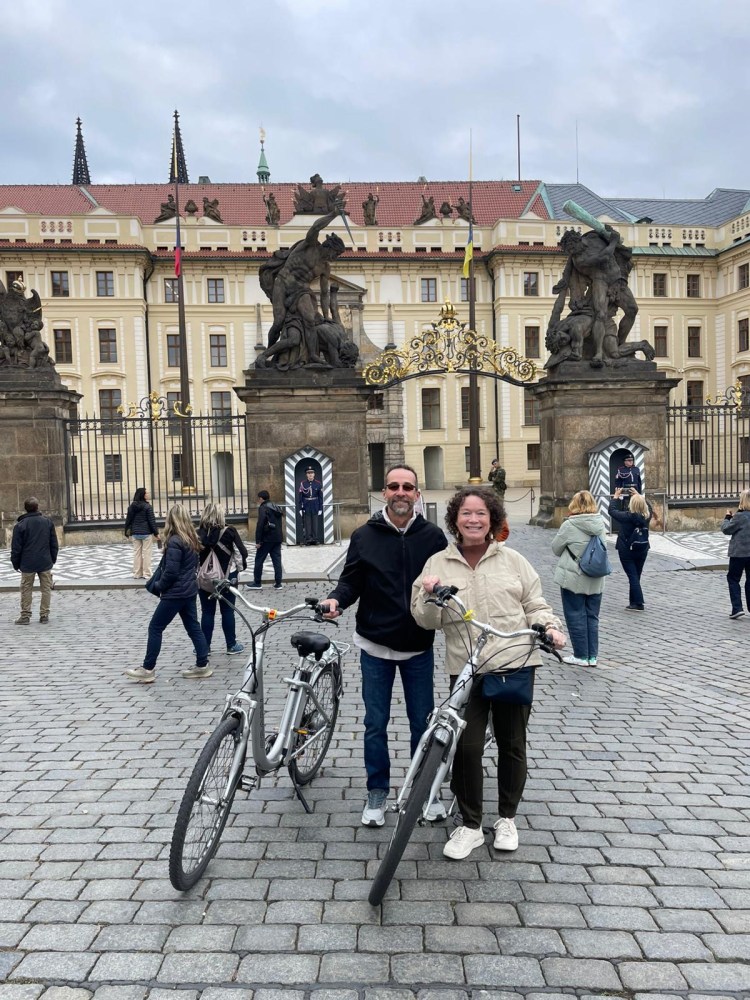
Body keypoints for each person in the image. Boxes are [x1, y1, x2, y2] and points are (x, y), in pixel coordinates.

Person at [411, 487, 565, 860]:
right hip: (466, 669)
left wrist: (550, 627)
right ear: (455, 520)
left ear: (492, 519)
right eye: (466, 514)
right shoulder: (437, 564)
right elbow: (423, 619)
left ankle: (507, 818)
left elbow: (535, 603)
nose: (474, 520)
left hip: (514, 664)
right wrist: (431, 596)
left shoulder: (513, 561)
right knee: (466, 748)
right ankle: (470, 825)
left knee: (513, 745)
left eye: (481, 514)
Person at [322, 464, 448, 827]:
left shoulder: (433, 537)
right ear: (384, 491)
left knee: (421, 725)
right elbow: (351, 581)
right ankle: (377, 790)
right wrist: (336, 601)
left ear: (417, 494)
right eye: (394, 486)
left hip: (417, 646)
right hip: (375, 645)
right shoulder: (365, 535)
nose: (401, 493)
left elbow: (446, 583)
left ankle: (423, 791)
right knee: (375, 723)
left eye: (408, 487)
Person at [125, 504, 211, 683]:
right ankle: (202, 665)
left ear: (171, 519)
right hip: (189, 591)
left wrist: (159, 585)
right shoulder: (191, 538)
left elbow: (171, 572)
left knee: (155, 627)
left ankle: (148, 669)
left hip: (175, 593)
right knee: (193, 627)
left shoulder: (174, 541)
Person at [259, 207, 346, 364]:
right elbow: (316, 227)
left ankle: (312, 355)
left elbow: (325, 294)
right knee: (278, 322)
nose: (335, 258)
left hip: (302, 289)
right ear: (329, 247)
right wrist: (332, 213)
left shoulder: (325, 267)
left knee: (310, 319)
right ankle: (268, 354)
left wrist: (326, 317)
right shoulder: (310, 244)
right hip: (283, 282)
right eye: (336, 254)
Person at [551, 490, 608, 666]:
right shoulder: (600, 523)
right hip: (595, 576)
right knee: (592, 616)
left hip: (574, 576)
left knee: (575, 615)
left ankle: (581, 655)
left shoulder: (570, 525)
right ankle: (592, 657)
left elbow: (556, 548)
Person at [197, 502, 248, 654]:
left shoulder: (197, 533)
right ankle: (231, 645)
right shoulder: (229, 531)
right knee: (227, 611)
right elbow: (242, 552)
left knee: (207, 612)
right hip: (227, 576)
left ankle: (204, 646)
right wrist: (240, 568)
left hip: (205, 578)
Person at [11, 497, 59, 625]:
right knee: (46, 589)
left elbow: (16, 548)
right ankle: (44, 615)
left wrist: (15, 563)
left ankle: (25, 616)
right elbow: (54, 543)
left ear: (25, 509)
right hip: (45, 561)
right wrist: (52, 559)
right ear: (37, 507)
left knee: (26, 589)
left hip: (27, 562)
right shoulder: (47, 522)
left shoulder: (20, 525)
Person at [609, 488, 652, 611]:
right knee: (636, 575)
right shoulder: (647, 516)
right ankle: (633, 601)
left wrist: (616, 497)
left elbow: (612, 511)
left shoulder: (627, 516)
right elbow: (649, 507)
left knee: (632, 576)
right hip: (642, 548)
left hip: (626, 549)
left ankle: (638, 602)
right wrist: (639, 496)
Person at [721, 489, 750, 619]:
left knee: (733, 579)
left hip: (739, 553)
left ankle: (737, 608)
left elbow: (726, 529)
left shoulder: (740, 516)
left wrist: (727, 517)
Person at [249, 491, 284, 590]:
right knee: (277, 560)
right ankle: (278, 583)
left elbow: (260, 525)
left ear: (261, 498)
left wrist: (258, 541)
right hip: (277, 538)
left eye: (258, 498)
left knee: (259, 560)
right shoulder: (276, 506)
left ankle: (257, 582)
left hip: (267, 538)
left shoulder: (263, 508)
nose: (257, 500)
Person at [123, 487, 160, 579]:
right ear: (142, 495)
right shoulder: (147, 506)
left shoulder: (132, 506)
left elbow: (128, 520)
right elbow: (152, 521)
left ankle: (137, 573)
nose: (148, 494)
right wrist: (156, 533)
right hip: (146, 533)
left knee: (137, 553)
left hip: (135, 533)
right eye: (146, 493)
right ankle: (147, 573)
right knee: (147, 553)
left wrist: (126, 532)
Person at [298, 468, 323, 545]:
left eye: (312, 473)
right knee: (307, 523)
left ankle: (315, 539)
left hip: (315, 505)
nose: (310, 474)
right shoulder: (303, 484)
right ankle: (308, 539)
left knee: (315, 523)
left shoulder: (318, 484)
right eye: (308, 473)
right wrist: (300, 508)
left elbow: (320, 497)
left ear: (314, 474)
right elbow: (300, 496)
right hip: (306, 505)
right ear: (306, 474)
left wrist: (320, 508)